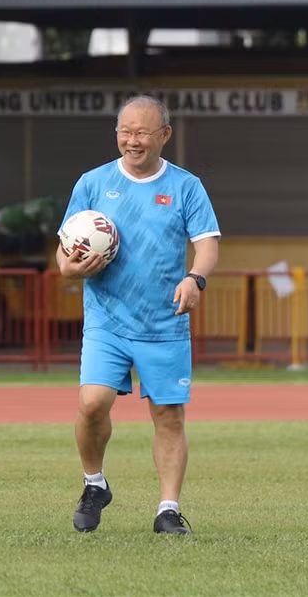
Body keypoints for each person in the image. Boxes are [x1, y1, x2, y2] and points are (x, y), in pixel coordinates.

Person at [57, 95, 220, 535]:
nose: (133, 141)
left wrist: (195, 279)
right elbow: (65, 247)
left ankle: (168, 509)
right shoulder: (92, 183)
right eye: (125, 132)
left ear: (164, 135)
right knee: (92, 404)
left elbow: (207, 244)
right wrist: (69, 267)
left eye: (142, 133)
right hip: (107, 320)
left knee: (168, 416)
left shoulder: (187, 186)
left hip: (164, 322)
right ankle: (95, 484)